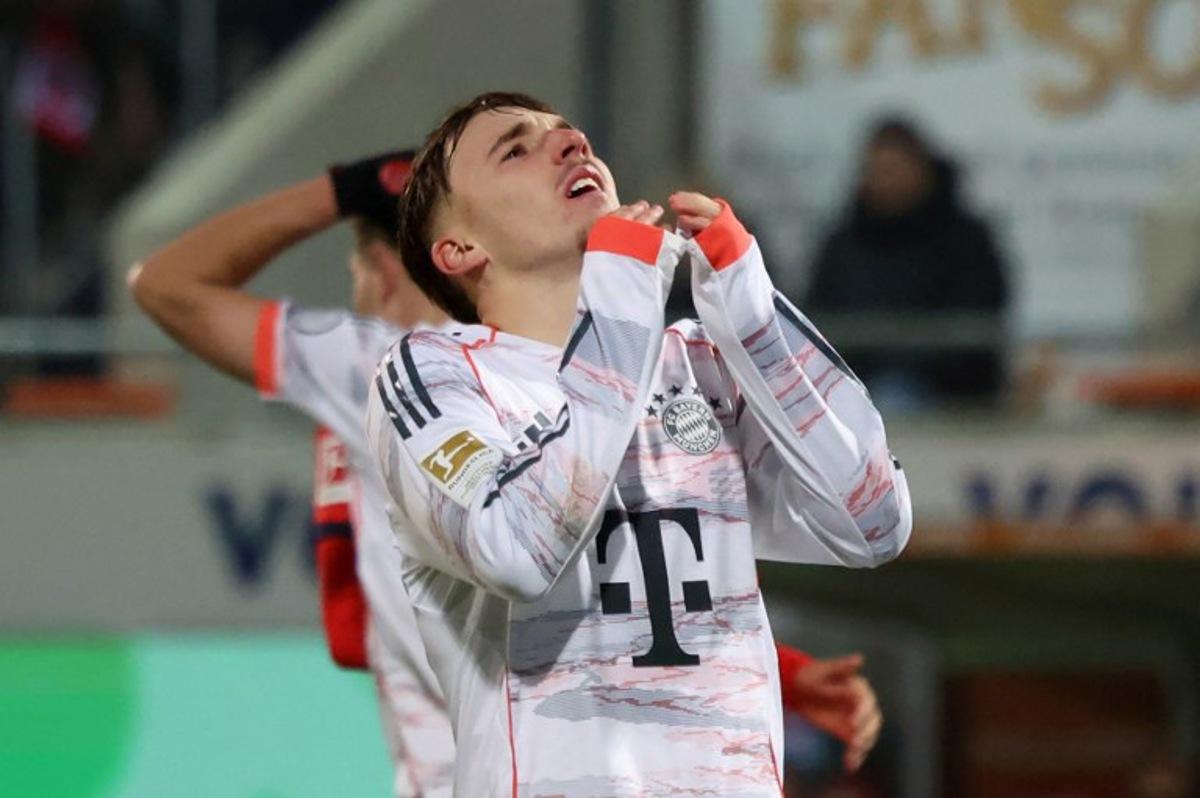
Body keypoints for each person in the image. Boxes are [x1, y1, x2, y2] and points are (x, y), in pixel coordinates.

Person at [130, 146, 886, 794]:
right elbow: (164, 287)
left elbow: (605, 559)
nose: (358, 293)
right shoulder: (388, 368)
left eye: (359, 267)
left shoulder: (612, 364)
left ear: (387, 268)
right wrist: (346, 188)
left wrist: (771, 671)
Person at [368, 92, 911, 796]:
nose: (570, 143)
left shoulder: (698, 364)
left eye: (566, 132)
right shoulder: (438, 376)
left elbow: (873, 522)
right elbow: (515, 550)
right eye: (516, 149)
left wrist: (748, 308)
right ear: (460, 249)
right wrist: (619, 291)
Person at [129, 151, 456, 797]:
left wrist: (343, 189)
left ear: (385, 270)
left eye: (357, 271)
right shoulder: (566, 367)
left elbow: (163, 284)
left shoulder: (372, 367)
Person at [805, 116, 1010, 408]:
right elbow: (818, 317)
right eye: (875, 171)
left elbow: (977, 323)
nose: (883, 182)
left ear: (921, 171)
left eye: (892, 170)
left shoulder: (965, 240)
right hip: (852, 392)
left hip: (949, 397)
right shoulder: (843, 243)